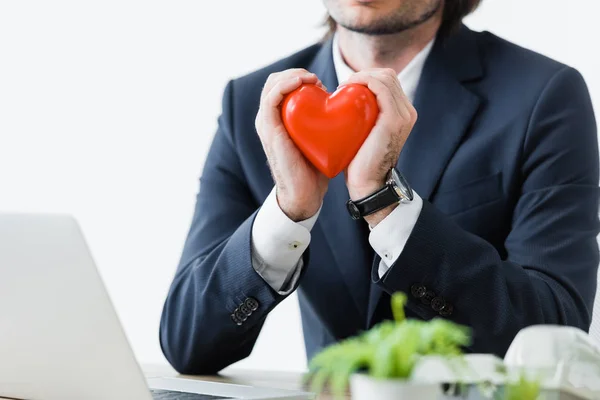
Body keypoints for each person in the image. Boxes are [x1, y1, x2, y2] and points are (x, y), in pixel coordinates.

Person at [159, 0, 600, 374]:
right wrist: (288, 211)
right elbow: (186, 342)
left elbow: (555, 342)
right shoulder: (254, 103)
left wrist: (385, 203)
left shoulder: (544, 95)